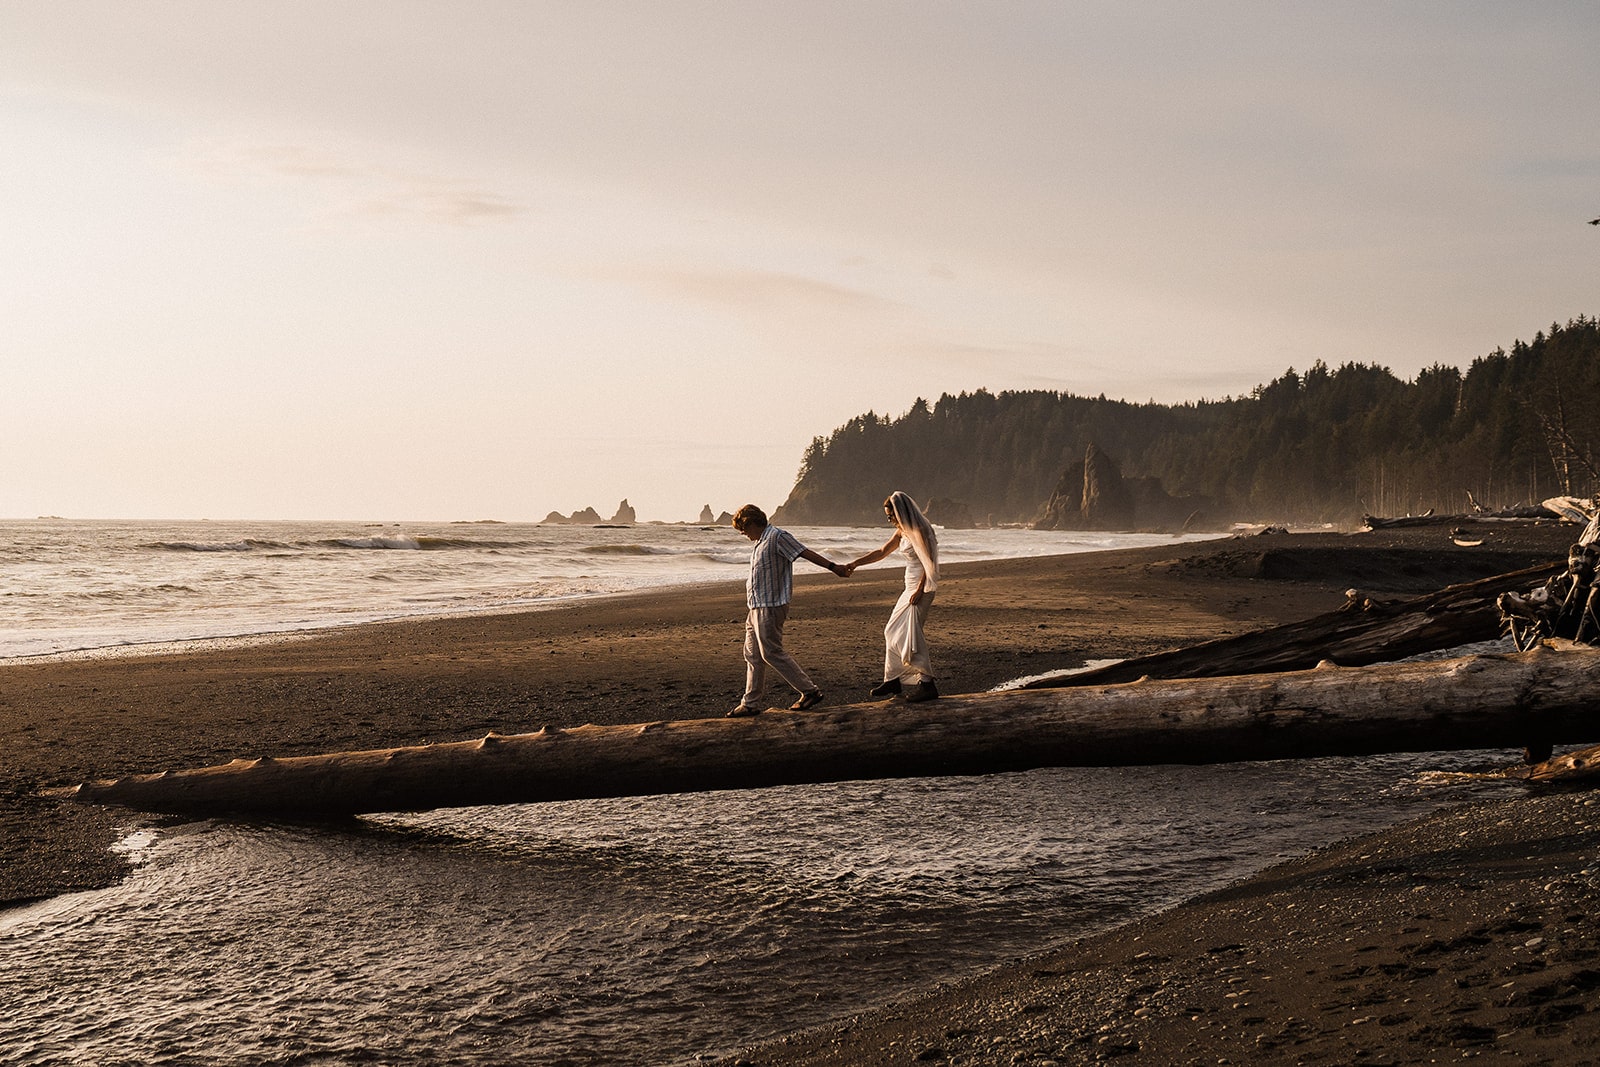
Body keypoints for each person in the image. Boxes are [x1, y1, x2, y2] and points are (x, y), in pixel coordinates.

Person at [727, 503, 846, 717]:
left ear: (752, 523)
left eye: (743, 529)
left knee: (771, 652)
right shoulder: (760, 542)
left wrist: (833, 567)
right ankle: (750, 703)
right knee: (752, 655)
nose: (743, 534)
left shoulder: (777, 537)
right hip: (755, 605)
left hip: (771, 604)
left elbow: (804, 552)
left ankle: (810, 691)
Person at [842, 491, 940, 702]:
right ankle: (893, 679)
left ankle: (927, 683)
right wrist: (855, 563)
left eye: (891, 515)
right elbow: (882, 551)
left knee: (912, 634)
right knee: (891, 630)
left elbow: (929, 562)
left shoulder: (920, 529)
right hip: (909, 586)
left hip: (921, 588)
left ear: (900, 511)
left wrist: (920, 589)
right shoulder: (902, 532)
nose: (889, 519)